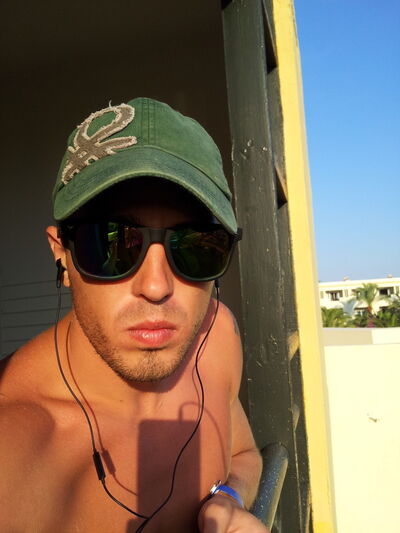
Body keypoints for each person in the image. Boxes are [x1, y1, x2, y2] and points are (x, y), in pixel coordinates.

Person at [0, 97, 269, 532]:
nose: (156, 287)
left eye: (196, 246)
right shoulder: (13, 454)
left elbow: (243, 454)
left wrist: (228, 500)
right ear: (61, 255)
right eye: (109, 244)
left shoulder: (216, 335)